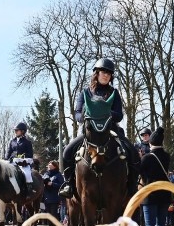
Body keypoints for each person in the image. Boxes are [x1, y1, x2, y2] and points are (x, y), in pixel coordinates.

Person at [58, 58, 140, 198]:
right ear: (96, 73)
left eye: (109, 73)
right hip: (90, 133)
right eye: (103, 72)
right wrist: (84, 117)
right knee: (67, 151)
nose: (106, 75)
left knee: (132, 151)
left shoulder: (114, 93)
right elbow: (77, 113)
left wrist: (104, 113)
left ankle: (132, 186)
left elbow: (119, 115)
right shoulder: (86, 93)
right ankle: (68, 184)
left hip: (111, 131)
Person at [139, 127, 171, 226]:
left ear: (150, 143)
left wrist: (140, 158)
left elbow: (141, 173)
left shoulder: (147, 157)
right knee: (161, 224)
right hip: (164, 192)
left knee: (149, 224)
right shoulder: (167, 156)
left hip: (150, 193)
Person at [6, 122, 34, 198]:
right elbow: (9, 152)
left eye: (17, 130)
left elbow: (30, 154)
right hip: (12, 162)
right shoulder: (12, 141)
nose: (15, 132)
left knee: (27, 174)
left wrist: (22, 159)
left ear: (22, 131)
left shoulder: (27, 142)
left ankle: (29, 191)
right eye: (15, 130)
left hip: (23, 163)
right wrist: (5, 160)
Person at [41, 160, 64, 226]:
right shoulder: (46, 174)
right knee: (49, 214)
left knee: (54, 213)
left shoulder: (58, 175)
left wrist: (53, 184)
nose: (49, 166)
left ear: (55, 166)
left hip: (55, 197)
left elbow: (62, 185)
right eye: (48, 165)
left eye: (50, 165)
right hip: (47, 196)